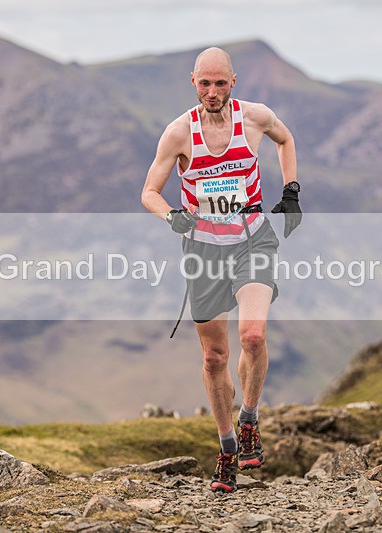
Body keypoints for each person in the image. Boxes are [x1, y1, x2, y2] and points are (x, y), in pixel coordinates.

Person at [141, 47, 302, 493]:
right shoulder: (178, 134)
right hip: (205, 251)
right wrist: (172, 216)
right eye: (204, 83)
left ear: (234, 82)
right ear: (192, 82)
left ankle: (249, 419)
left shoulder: (255, 117)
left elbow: (285, 139)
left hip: (252, 240)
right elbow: (149, 192)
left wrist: (291, 191)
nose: (212, 92)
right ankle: (227, 447)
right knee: (215, 358)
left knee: (252, 336)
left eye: (221, 83)